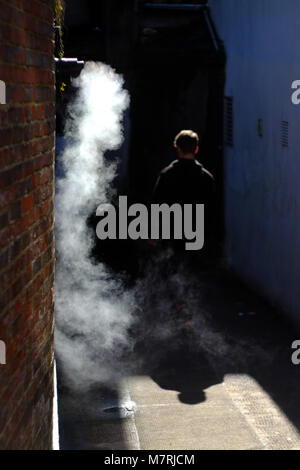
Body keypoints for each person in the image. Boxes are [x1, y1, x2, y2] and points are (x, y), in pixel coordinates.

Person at [151, 129, 216, 259]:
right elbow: (213, 210)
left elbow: (157, 204)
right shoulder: (207, 178)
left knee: (170, 272)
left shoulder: (167, 175)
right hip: (197, 236)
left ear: (178, 149)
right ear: (196, 149)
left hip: (171, 235)